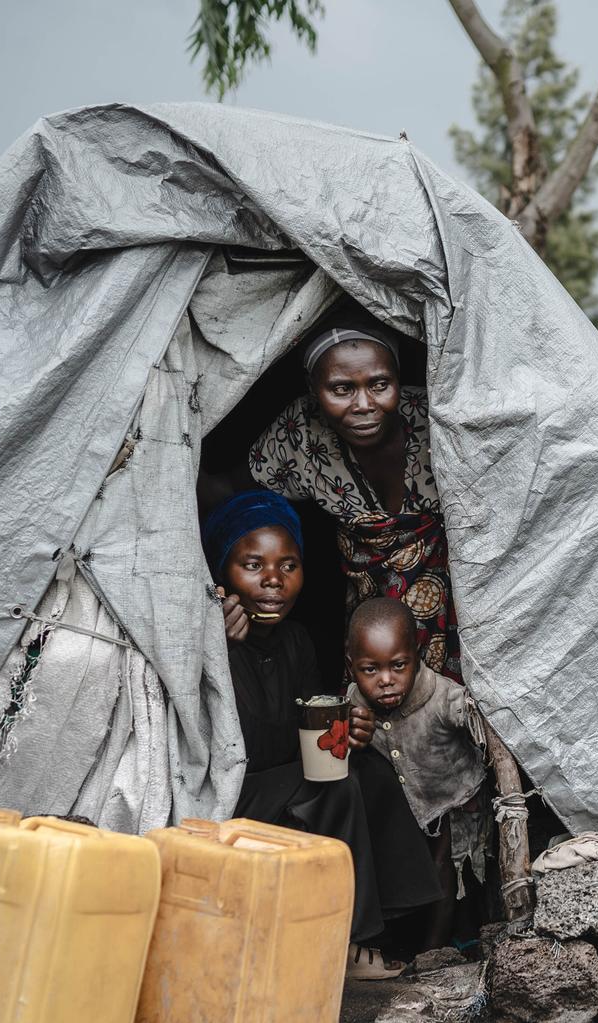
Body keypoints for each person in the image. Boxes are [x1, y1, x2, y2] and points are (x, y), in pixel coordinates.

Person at [203, 490, 443, 980]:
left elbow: (311, 724)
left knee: (367, 766)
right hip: (231, 795)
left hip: (285, 780)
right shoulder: (206, 637)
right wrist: (209, 639)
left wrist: (350, 731)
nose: (273, 580)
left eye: (288, 565)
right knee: (334, 783)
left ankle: (398, 922)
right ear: (222, 573)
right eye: (253, 564)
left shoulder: (297, 641)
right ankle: (346, 942)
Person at [250, 325, 460, 678]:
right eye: (341, 389)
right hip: (371, 628)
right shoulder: (300, 432)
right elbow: (237, 494)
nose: (364, 405)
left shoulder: (441, 420)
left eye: (380, 385)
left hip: (462, 612)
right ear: (314, 390)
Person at [341, 597, 492, 908]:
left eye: (398, 665)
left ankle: (438, 949)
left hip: (454, 800)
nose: (385, 680)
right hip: (407, 809)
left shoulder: (443, 697)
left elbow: (481, 723)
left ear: (416, 655)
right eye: (370, 669)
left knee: (448, 867)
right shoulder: (353, 703)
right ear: (350, 666)